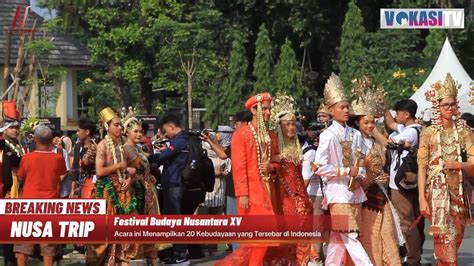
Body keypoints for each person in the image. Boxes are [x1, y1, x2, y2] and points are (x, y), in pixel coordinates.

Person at [313, 73, 372, 265]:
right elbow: (319, 166)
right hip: (337, 193)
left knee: (339, 239)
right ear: (331, 110)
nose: (347, 110)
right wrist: (346, 172)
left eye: (347, 107)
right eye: (342, 107)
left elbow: (362, 160)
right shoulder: (327, 136)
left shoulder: (355, 134)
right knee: (349, 235)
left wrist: (360, 175)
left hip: (354, 192)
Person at [217, 92, 279, 266]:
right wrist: (242, 194)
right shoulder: (242, 134)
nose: (267, 112)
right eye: (264, 109)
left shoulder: (271, 135)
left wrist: (272, 167)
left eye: (269, 109)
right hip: (251, 195)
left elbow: (276, 162)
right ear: (253, 109)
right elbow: (238, 167)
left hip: (268, 191)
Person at [417, 73, 474, 265]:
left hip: (458, 191)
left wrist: (460, 165)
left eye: (453, 104)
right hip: (437, 191)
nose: (449, 108)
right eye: (445, 105)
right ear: (437, 106)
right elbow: (422, 167)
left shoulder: (464, 131)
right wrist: (421, 198)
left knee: (457, 234)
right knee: (445, 235)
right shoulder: (428, 133)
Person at [351, 76, 403, 265]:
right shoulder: (354, 140)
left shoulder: (374, 142)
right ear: (358, 122)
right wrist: (372, 174)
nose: (370, 125)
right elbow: (356, 170)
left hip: (380, 193)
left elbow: (387, 144)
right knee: (369, 237)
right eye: (366, 122)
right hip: (362, 196)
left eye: (373, 122)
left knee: (388, 234)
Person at [371, 99, 424, 266]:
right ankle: (413, 256)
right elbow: (391, 123)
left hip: (401, 183)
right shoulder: (407, 127)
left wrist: (370, 127)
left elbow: (387, 143)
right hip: (404, 181)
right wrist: (384, 107)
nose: (396, 116)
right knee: (411, 219)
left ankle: (413, 259)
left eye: (398, 112)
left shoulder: (411, 133)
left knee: (407, 221)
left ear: (406, 114)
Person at [264, 93, 313, 265]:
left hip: (300, 196)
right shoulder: (275, 147)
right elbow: (269, 168)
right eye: (287, 125)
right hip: (283, 197)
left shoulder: (297, 147)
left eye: (293, 124)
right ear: (279, 126)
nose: (292, 128)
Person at [149, 114, 205, 263]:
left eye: (166, 129)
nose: (166, 133)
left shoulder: (180, 139)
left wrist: (146, 157)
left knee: (175, 220)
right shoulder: (183, 139)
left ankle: (181, 254)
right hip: (174, 183)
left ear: (172, 126)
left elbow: (162, 156)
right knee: (174, 219)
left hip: (174, 184)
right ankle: (177, 252)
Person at [87, 107, 139, 265]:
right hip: (109, 193)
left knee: (129, 229)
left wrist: (130, 177)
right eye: (116, 125)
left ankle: (124, 259)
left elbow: (135, 167)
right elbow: (99, 171)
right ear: (106, 127)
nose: (119, 127)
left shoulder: (124, 144)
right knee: (108, 231)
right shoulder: (103, 145)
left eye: (120, 125)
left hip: (125, 190)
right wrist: (119, 167)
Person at [14, 125, 66, 266]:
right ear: (50, 140)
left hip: (29, 205)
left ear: (35, 139)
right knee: (48, 245)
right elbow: (62, 175)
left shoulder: (27, 158)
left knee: (23, 243)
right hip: (50, 205)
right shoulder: (58, 158)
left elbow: (21, 176)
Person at [122, 108, 160, 265]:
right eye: (135, 131)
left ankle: (150, 256)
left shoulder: (138, 148)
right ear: (127, 133)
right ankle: (135, 257)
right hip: (134, 191)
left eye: (140, 131)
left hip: (146, 189)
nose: (139, 134)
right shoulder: (125, 149)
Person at [0, 100, 24, 266]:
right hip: (7, 189)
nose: (15, 131)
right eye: (12, 128)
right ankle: (9, 258)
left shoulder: (17, 145)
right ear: (4, 129)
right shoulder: (2, 145)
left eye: (16, 127)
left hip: (19, 187)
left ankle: (13, 257)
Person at [71, 118, 98, 199]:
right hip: (80, 186)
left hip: (93, 185)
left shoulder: (96, 147)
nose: (77, 133)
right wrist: (72, 189)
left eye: (79, 130)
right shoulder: (78, 146)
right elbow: (75, 167)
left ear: (87, 132)